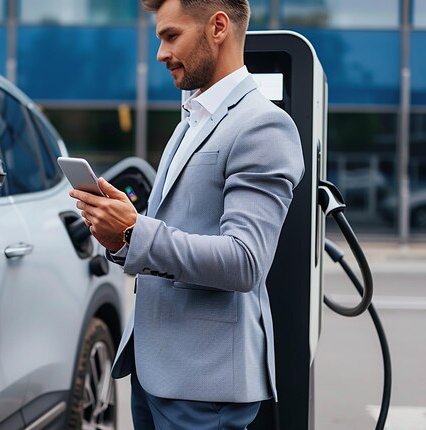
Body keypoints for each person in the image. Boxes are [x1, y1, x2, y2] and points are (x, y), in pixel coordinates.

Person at [70, 0, 305, 427]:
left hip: (205, 386)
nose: (160, 53)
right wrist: (119, 237)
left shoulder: (263, 126)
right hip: (156, 371)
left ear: (218, 28)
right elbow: (172, 232)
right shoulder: (190, 121)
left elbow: (244, 261)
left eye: (171, 36)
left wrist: (135, 231)